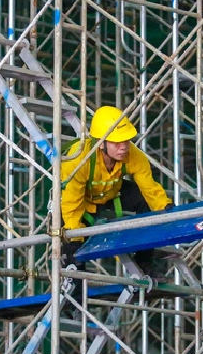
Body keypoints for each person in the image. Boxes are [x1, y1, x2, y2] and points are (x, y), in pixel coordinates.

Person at [60, 105, 174, 281]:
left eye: (127, 140)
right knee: (72, 245)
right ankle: (73, 284)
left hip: (112, 194)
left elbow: (149, 188)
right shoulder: (77, 160)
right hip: (81, 202)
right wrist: (75, 237)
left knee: (147, 202)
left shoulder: (134, 155)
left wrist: (166, 209)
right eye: (116, 142)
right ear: (101, 143)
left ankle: (144, 263)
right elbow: (72, 202)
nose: (124, 147)